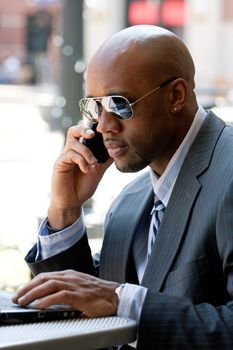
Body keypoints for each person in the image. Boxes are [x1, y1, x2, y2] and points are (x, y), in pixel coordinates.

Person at [13, 25, 233, 349]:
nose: (103, 126)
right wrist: (65, 209)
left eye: (119, 104)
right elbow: (85, 304)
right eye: (95, 106)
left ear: (176, 96)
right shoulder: (129, 203)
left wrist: (123, 302)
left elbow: (116, 299)